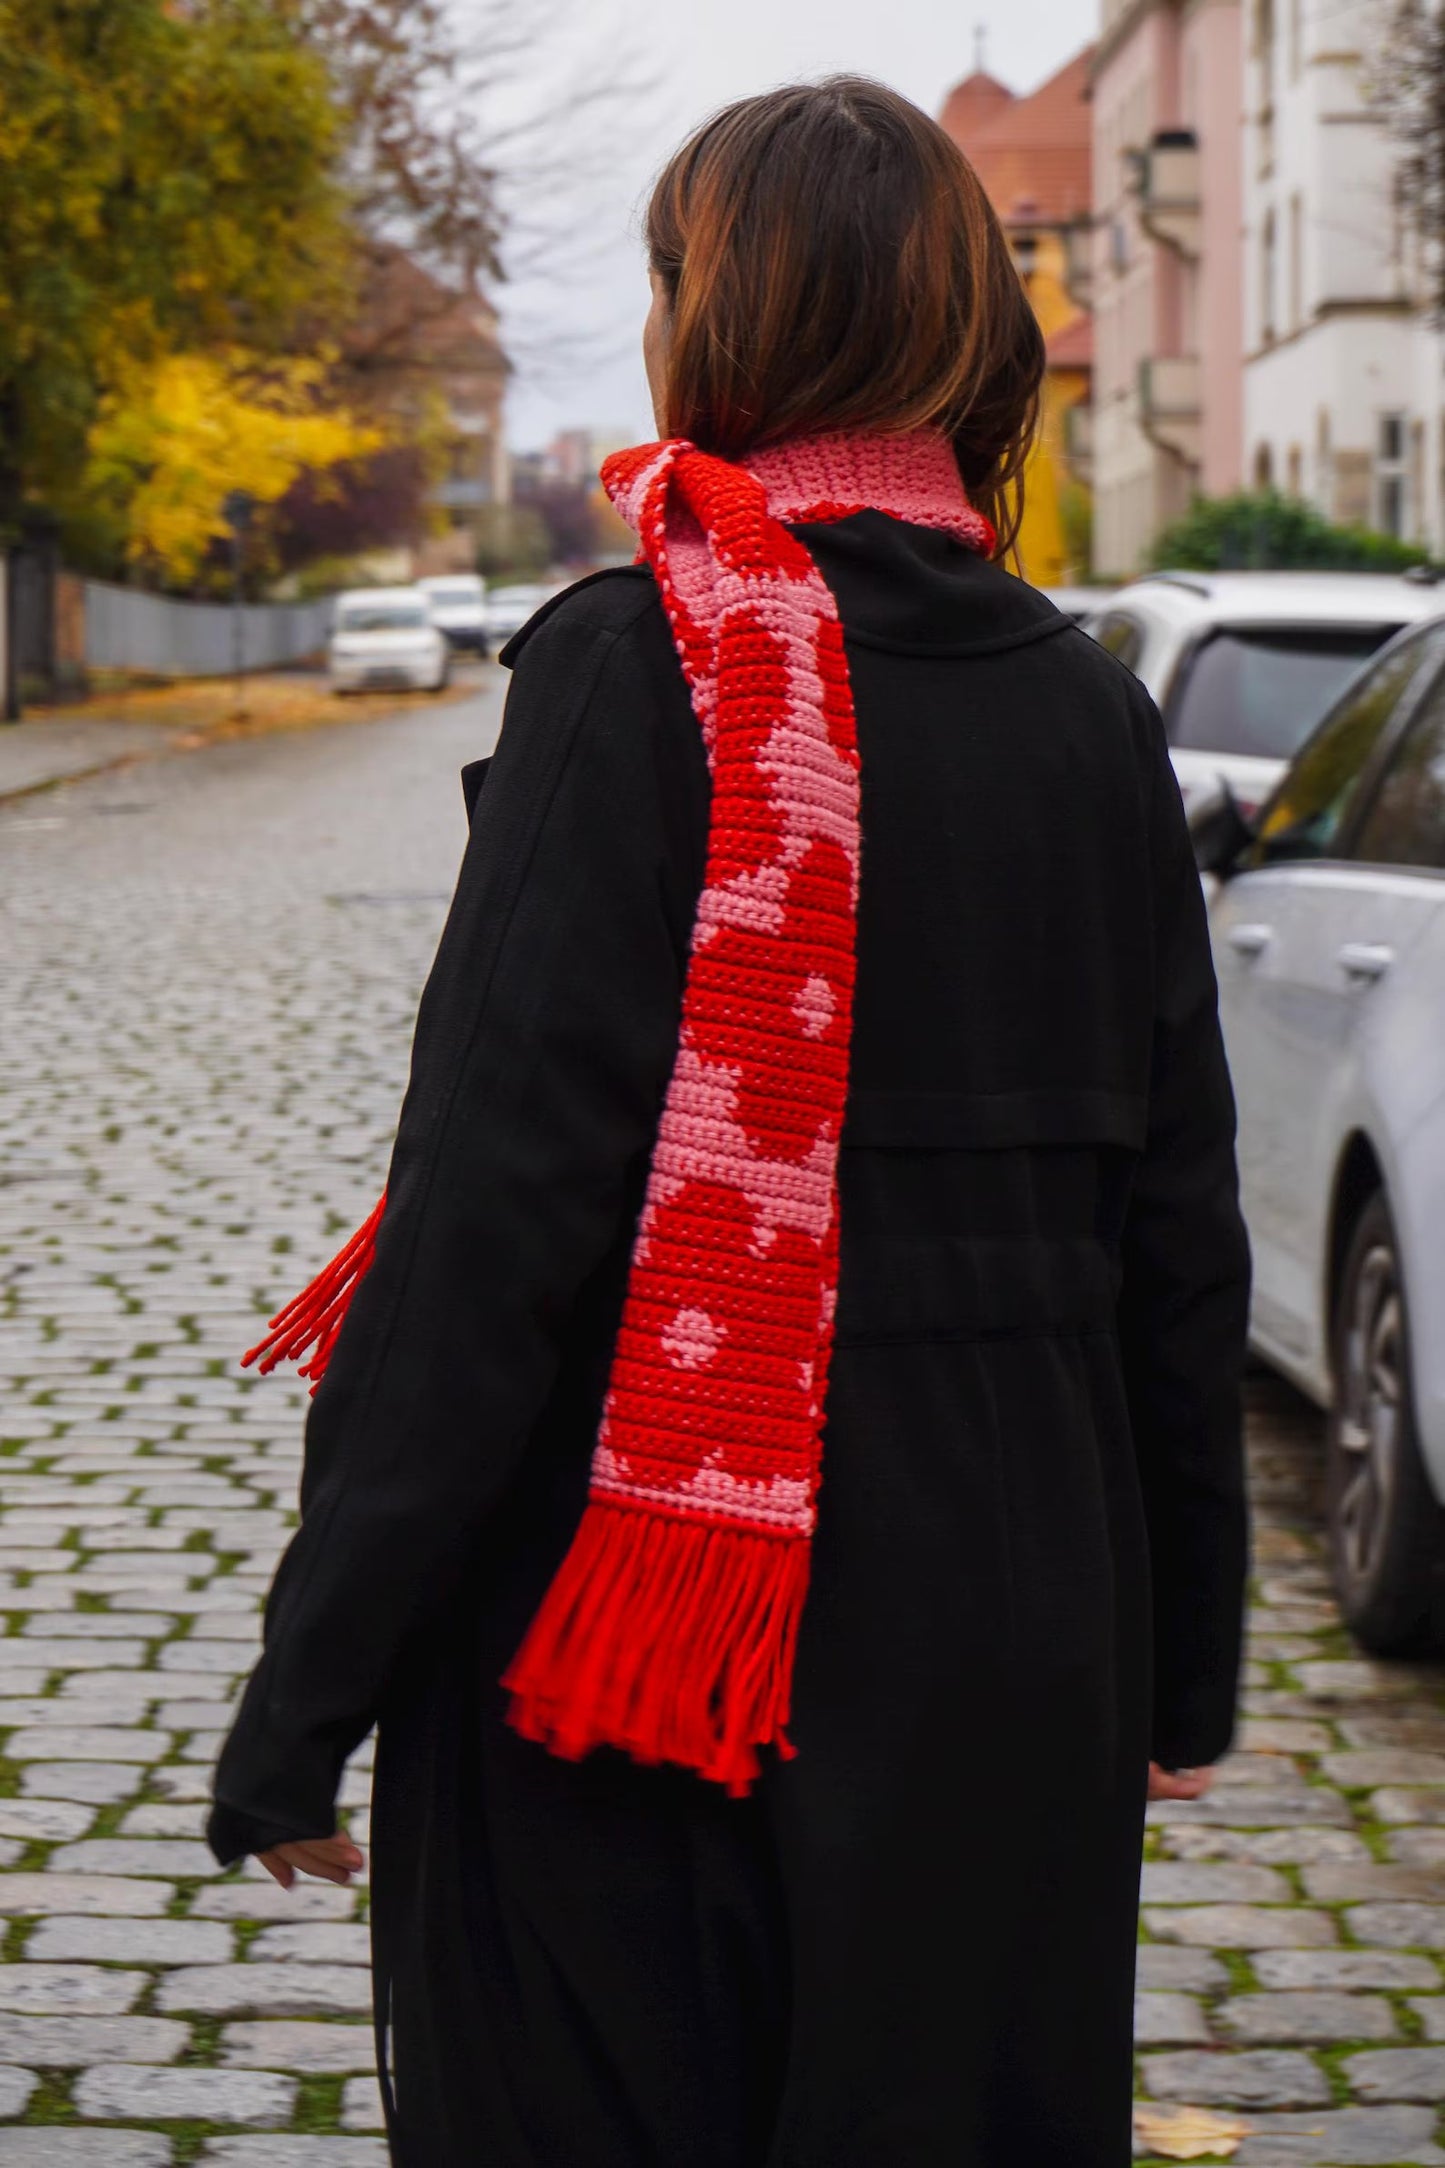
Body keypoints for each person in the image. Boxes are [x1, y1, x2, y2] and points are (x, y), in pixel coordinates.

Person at [209, 77, 1249, 2168]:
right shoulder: (1090, 709)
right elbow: (1182, 1233)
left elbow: (497, 1207)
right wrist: (1180, 1668)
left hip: (642, 1651)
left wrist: (308, 1689)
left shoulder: (635, 671)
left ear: (721, 316)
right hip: (1018, 1618)